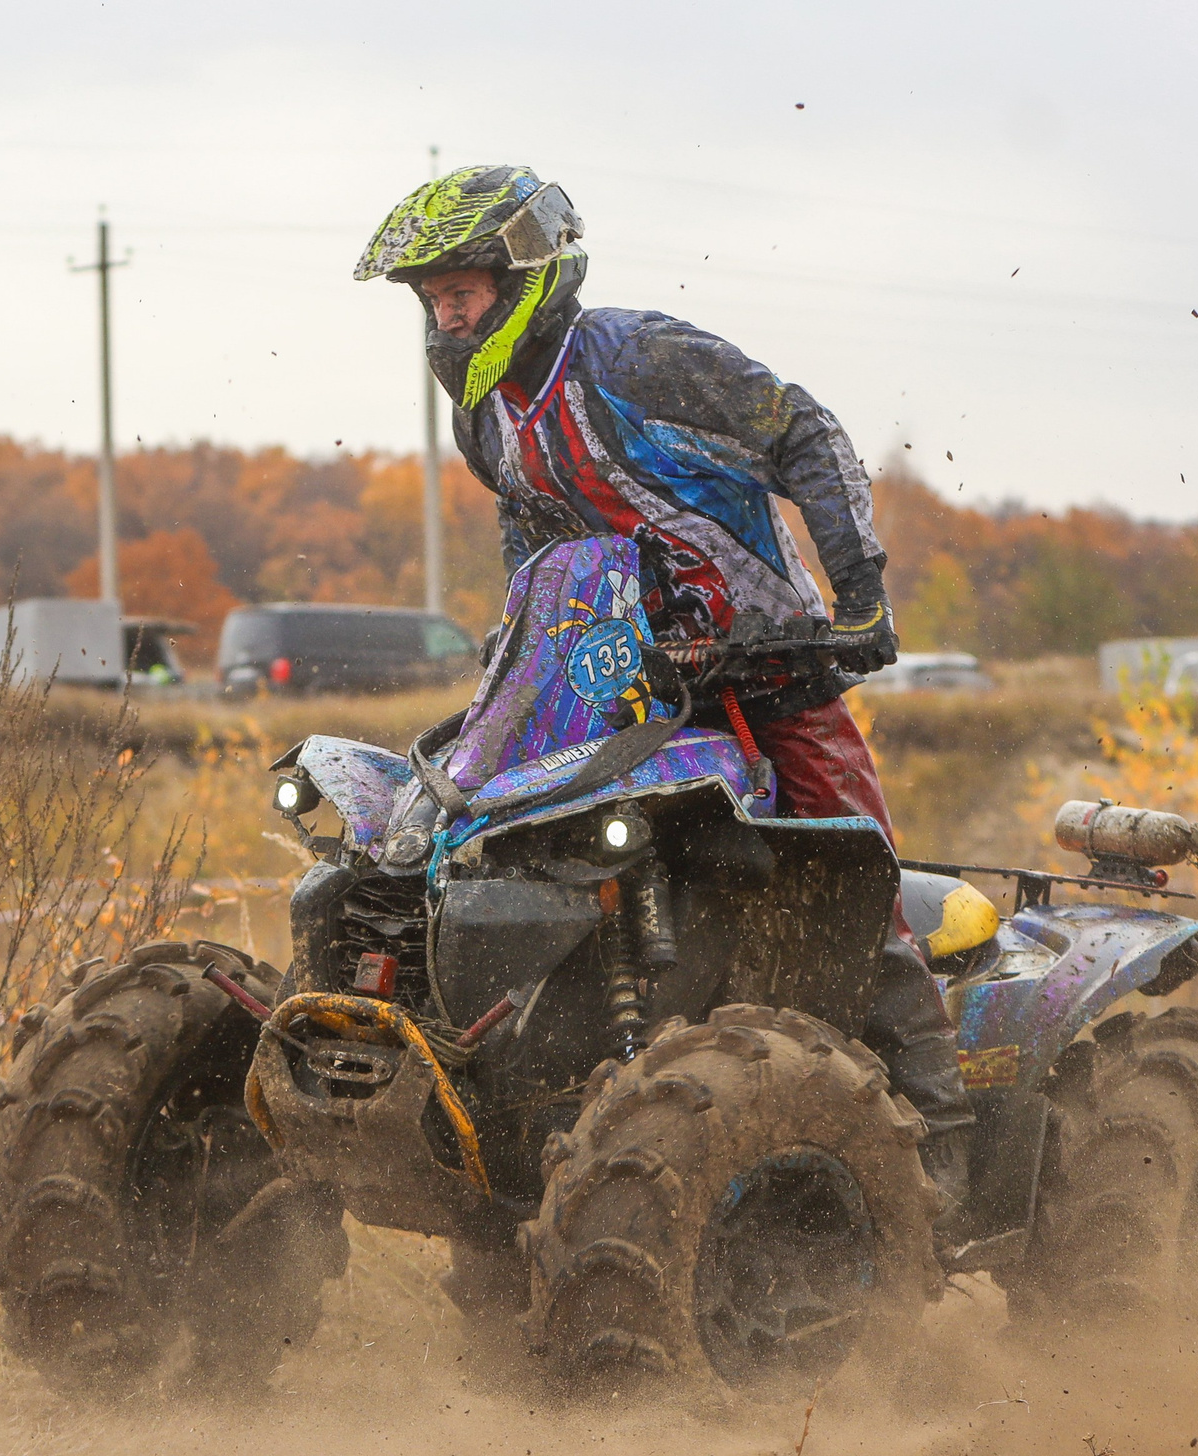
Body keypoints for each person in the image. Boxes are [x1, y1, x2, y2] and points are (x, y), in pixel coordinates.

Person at [356, 165, 975, 1213]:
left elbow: (803, 430)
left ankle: (943, 1145)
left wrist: (858, 597)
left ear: (527, 277)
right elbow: (535, 539)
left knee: (856, 894)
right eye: (429, 295)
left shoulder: (636, 355)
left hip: (770, 670)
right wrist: (523, 642)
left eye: (459, 288)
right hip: (615, 692)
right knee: (461, 842)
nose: (444, 312)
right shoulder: (486, 418)